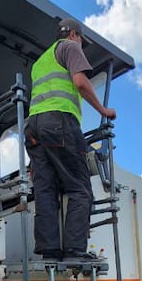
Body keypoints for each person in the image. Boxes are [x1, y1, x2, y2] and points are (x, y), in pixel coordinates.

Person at [24, 18, 116, 261]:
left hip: (33, 127)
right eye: (81, 41)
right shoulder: (69, 47)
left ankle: (50, 251)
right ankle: (75, 250)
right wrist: (103, 111)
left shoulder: (40, 61)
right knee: (80, 188)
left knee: (45, 189)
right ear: (74, 34)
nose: (81, 46)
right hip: (60, 122)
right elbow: (79, 82)